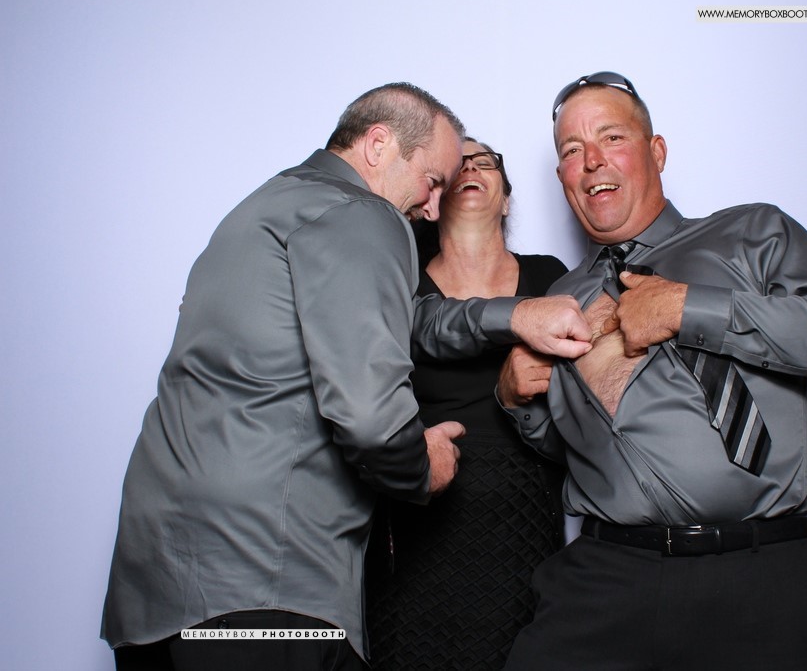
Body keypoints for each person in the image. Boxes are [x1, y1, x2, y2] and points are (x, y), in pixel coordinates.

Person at [100, 83, 592, 671]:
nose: (431, 207)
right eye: (432, 180)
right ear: (379, 146)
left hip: (159, 597)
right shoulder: (362, 213)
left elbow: (409, 319)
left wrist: (513, 314)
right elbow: (370, 419)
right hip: (264, 593)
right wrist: (421, 465)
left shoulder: (270, 206)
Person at [498, 72, 807, 670]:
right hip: (605, 581)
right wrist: (521, 403)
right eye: (572, 150)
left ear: (656, 152)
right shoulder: (561, 301)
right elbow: (583, 450)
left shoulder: (751, 234)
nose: (592, 160)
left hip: (761, 579)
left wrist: (688, 308)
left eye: (611, 137)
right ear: (562, 177)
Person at [365, 139, 568, 670]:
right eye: (459, 164)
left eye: (486, 162)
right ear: (432, 199)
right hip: (421, 519)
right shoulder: (400, 283)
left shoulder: (551, 277)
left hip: (527, 518)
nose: (472, 168)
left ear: (506, 199)